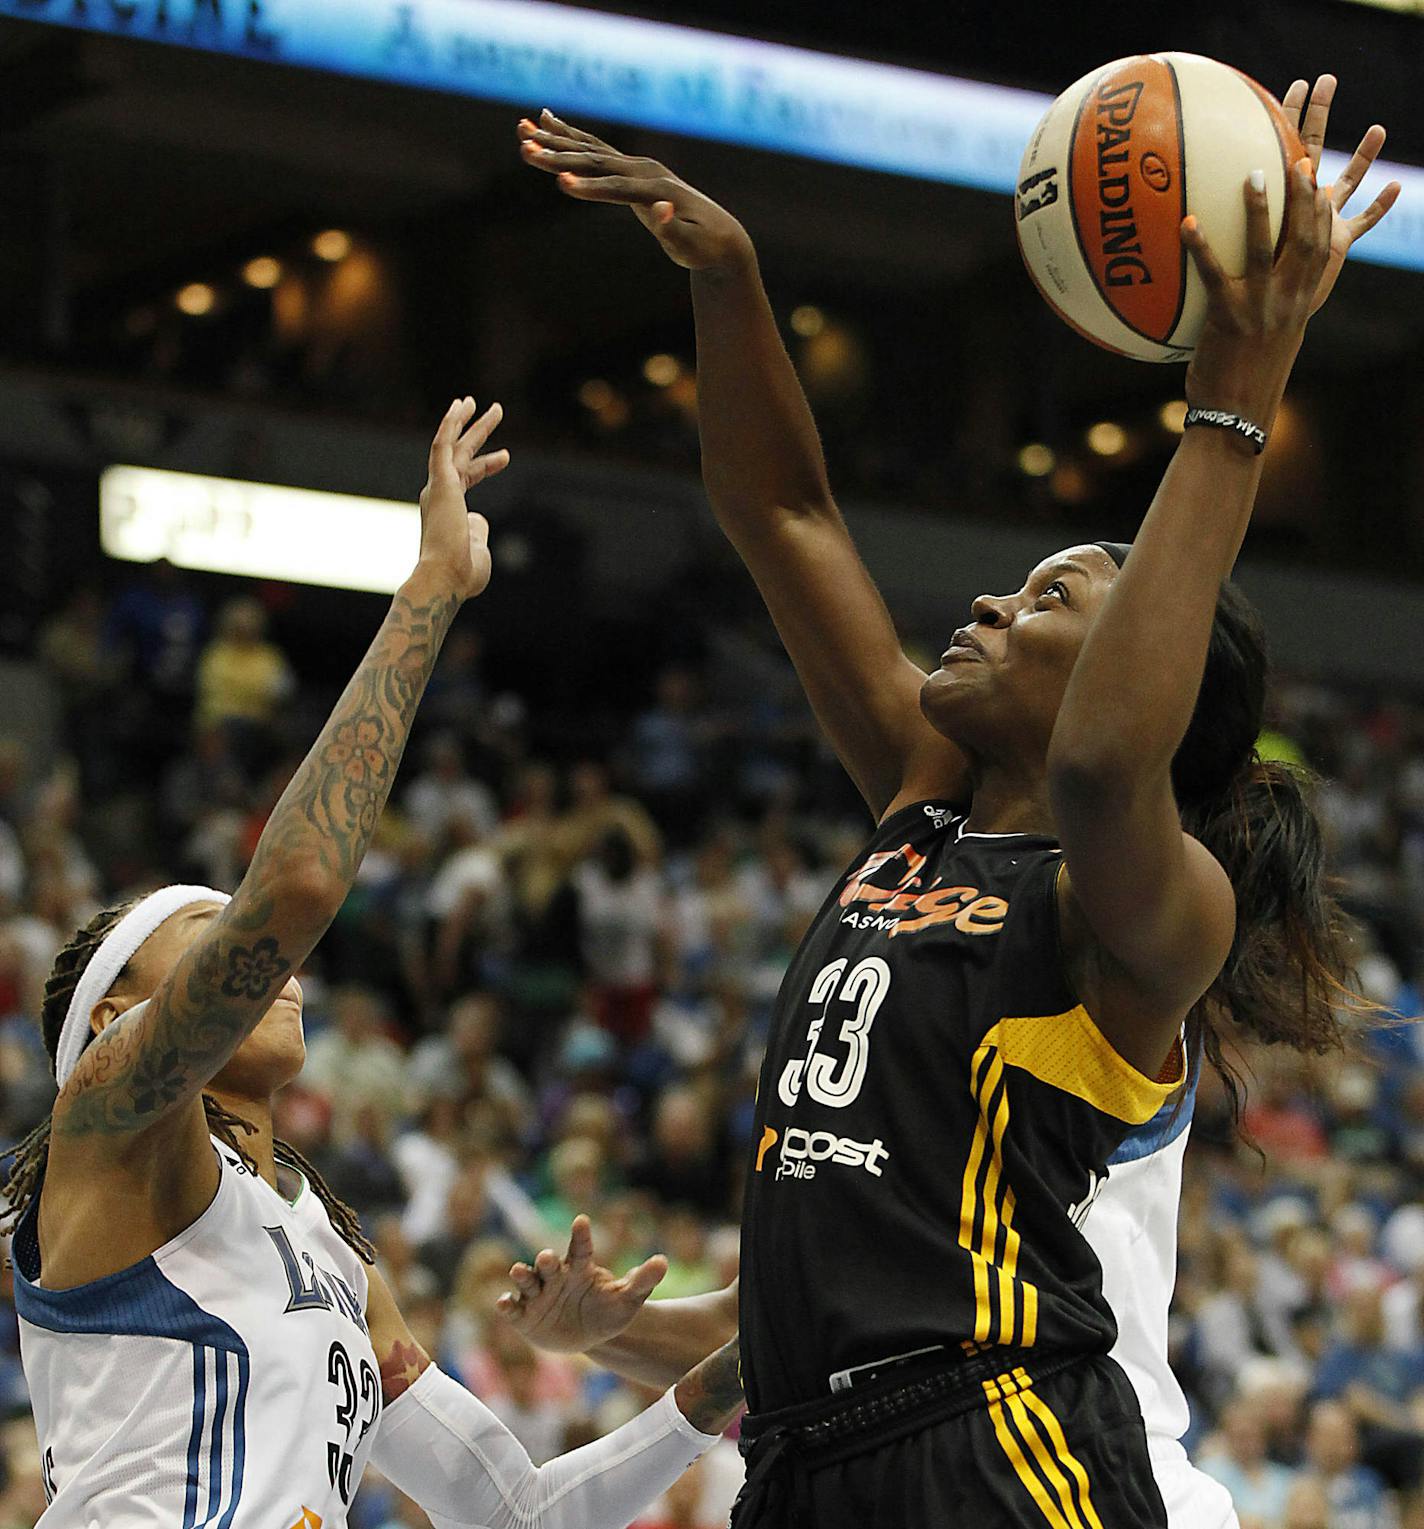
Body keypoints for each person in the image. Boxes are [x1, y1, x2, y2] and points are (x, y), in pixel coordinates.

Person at [511, 72, 1399, 1529]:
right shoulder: (925, 812)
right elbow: (786, 516)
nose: (990, 599)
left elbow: (1111, 761)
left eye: (1055, 596)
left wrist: (1234, 400)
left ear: (1139, 670)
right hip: (807, 1458)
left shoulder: (1150, 909)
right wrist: (731, 279)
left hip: (1002, 1439)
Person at [0, 398, 742, 1528]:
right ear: (119, 1025)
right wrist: (428, 590)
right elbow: (294, 889)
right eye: (213, 946)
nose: (274, 967)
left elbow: (521, 1512)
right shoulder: (108, 1122)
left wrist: (757, 1361)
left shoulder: (331, 1252)